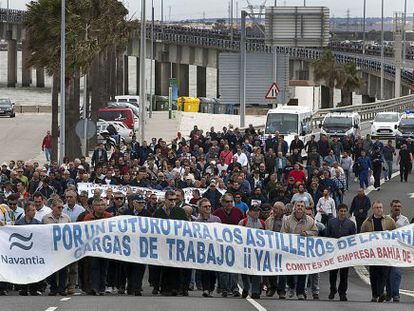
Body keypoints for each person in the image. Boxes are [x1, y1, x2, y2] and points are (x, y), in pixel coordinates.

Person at [281, 201, 318, 300]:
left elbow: (315, 232)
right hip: (290, 249)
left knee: (302, 271)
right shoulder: (287, 219)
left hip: (303, 250)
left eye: (302, 206)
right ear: (294, 207)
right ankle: (291, 286)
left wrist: (307, 232)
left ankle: (300, 292)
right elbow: (283, 233)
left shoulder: (310, 220)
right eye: (298, 206)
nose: (300, 207)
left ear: (305, 208)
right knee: (289, 271)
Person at [361, 201, 396, 302]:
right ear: (373, 209)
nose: (379, 209)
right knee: (374, 274)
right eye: (377, 207)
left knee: (384, 273)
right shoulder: (367, 222)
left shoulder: (389, 221)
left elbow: (395, 234)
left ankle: (380, 293)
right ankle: (374, 294)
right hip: (372, 253)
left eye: (380, 207)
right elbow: (361, 236)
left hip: (385, 252)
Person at [213, 194, 243, 298]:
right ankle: (224, 288)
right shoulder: (217, 213)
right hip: (221, 244)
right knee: (223, 268)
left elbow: (242, 227)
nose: (229, 203)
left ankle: (234, 288)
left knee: (234, 267)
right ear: (222, 202)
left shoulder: (238, 212)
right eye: (227, 201)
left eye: (231, 201)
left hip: (235, 244)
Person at [327, 203, 356, 301]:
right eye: (341, 211)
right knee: (333, 273)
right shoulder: (331, 222)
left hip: (345, 253)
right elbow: (327, 235)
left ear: (346, 212)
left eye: (344, 211)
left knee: (344, 274)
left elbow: (354, 238)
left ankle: (342, 292)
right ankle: (332, 289)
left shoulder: (351, 224)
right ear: (338, 212)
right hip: (334, 252)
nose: (343, 213)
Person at [84, 198, 113, 295]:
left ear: (105, 206)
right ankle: (94, 287)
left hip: (106, 247)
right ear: (93, 207)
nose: (100, 207)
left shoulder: (109, 217)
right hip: (93, 247)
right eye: (97, 205)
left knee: (104, 268)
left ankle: (102, 287)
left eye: (102, 205)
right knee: (94, 267)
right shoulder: (88, 217)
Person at [42, 198, 71, 296]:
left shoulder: (66, 218)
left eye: (62, 207)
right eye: (59, 207)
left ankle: (62, 288)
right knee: (52, 269)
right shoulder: (45, 218)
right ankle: (53, 288)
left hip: (63, 247)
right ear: (53, 207)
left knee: (63, 269)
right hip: (51, 247)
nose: (61, 209)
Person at [15, 201, 43, 296]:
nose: (34, 212)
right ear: (26, 212)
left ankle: (33, 289)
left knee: (34, 270)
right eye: (32, 210)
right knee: (23, 270)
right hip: (23, 251)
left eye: (34, 210)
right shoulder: (18, 223)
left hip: (34, 251)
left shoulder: (38, 224)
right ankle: (23, 289)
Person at [196, 198, 221, 297]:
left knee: (213, 272)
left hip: (214, 248)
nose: (208, 208)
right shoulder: (197, 221)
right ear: (200, 208)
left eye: (209, 206)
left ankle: (211, 288)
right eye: (205, 206)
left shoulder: (216, 220)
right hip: (202, 249)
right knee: (204, 270)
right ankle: (206, 288)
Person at [386, 200, 410, 302]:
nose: (397, 208)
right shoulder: (386, 219)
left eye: (399, 206)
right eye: (395, 206)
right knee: (387, 273)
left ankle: (396, 294)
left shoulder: (405, 220)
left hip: (399, 251)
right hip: (386, 250)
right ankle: (388, 293)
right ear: (391, 207)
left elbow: (409, 234)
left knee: (396, 273)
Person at [239, 205, 264, 299]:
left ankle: (255, 291)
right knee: (244, 272)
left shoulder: (262, 223)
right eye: (255, 211)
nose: (257, 212)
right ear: (249, 212)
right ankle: (246, 287)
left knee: (256, 272)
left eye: (258, 211)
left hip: (257, 252)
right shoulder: (243, 222)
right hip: (245, 251)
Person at [264, 202, 286, 299]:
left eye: (277, 209)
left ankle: (281, 290)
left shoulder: (287, 220)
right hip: (272, 247)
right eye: (274, 208)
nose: (274, 210)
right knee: (271, 269)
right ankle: (272, 287)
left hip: (283, 248)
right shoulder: (269, 220)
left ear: (282, 210)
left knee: (282, 270)